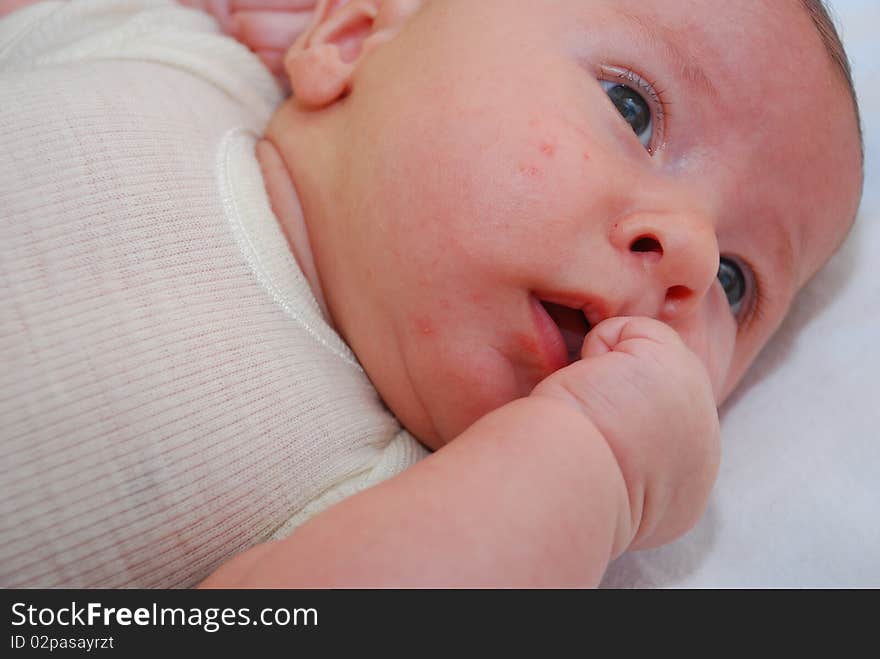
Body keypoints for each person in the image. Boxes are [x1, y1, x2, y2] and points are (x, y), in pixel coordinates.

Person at [0, 0, 863, 588]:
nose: (690, 249)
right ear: (350, 37)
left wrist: (592, 465)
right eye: (631, 108)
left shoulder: (409, 509)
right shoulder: (161, 46)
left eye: (733, 281)